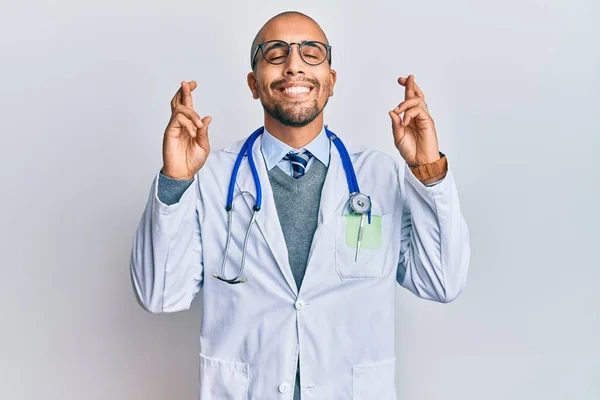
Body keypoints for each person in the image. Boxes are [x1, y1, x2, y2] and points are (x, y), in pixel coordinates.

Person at [130, 10, 470, 400]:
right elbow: (158, 293)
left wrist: (429, 172)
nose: (293, 66)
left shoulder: (378, 175)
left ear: (331, 82)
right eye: (274, 53)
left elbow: (442, 282)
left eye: (311, 53)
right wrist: (175, 180)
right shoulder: (211, 176)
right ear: (254, 84)